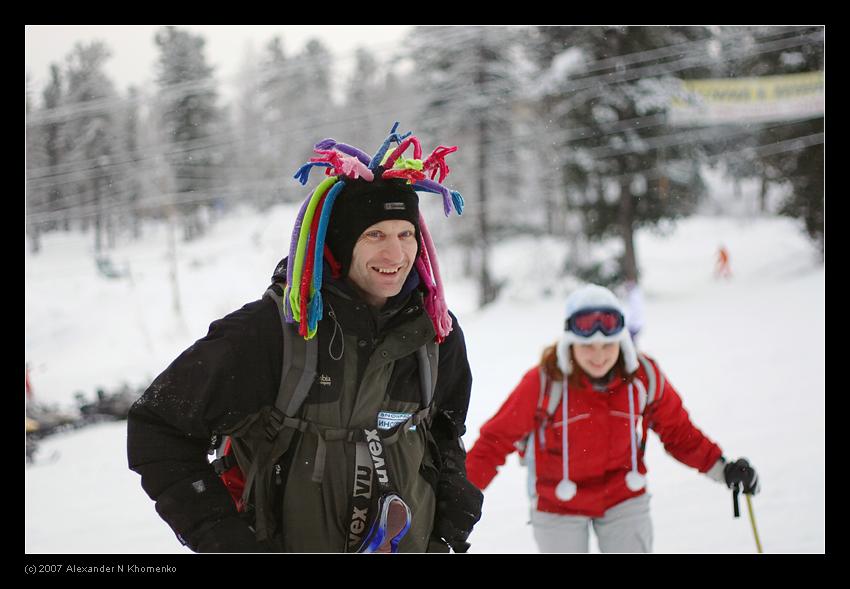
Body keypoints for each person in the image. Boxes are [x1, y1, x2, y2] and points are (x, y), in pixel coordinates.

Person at [127, 123, 483, 553]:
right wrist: (222, 537)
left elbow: (443, 430)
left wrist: (451, 504)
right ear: (339, 242)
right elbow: (157, 427)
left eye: (405, 234)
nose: (396, 255)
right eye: (375, 235)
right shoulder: (272, 332)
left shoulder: (434, 331)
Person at [465, 284, 759, 553]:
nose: (598, 356)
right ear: (569, 343)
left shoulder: (643, 377)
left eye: (608, 345)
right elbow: (495, 441)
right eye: (587, 346)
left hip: (623, 496)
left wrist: (724, 470)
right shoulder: (544, 382)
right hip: (558, 503)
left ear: (622, 342)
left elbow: (678, 432)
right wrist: (459, 496)